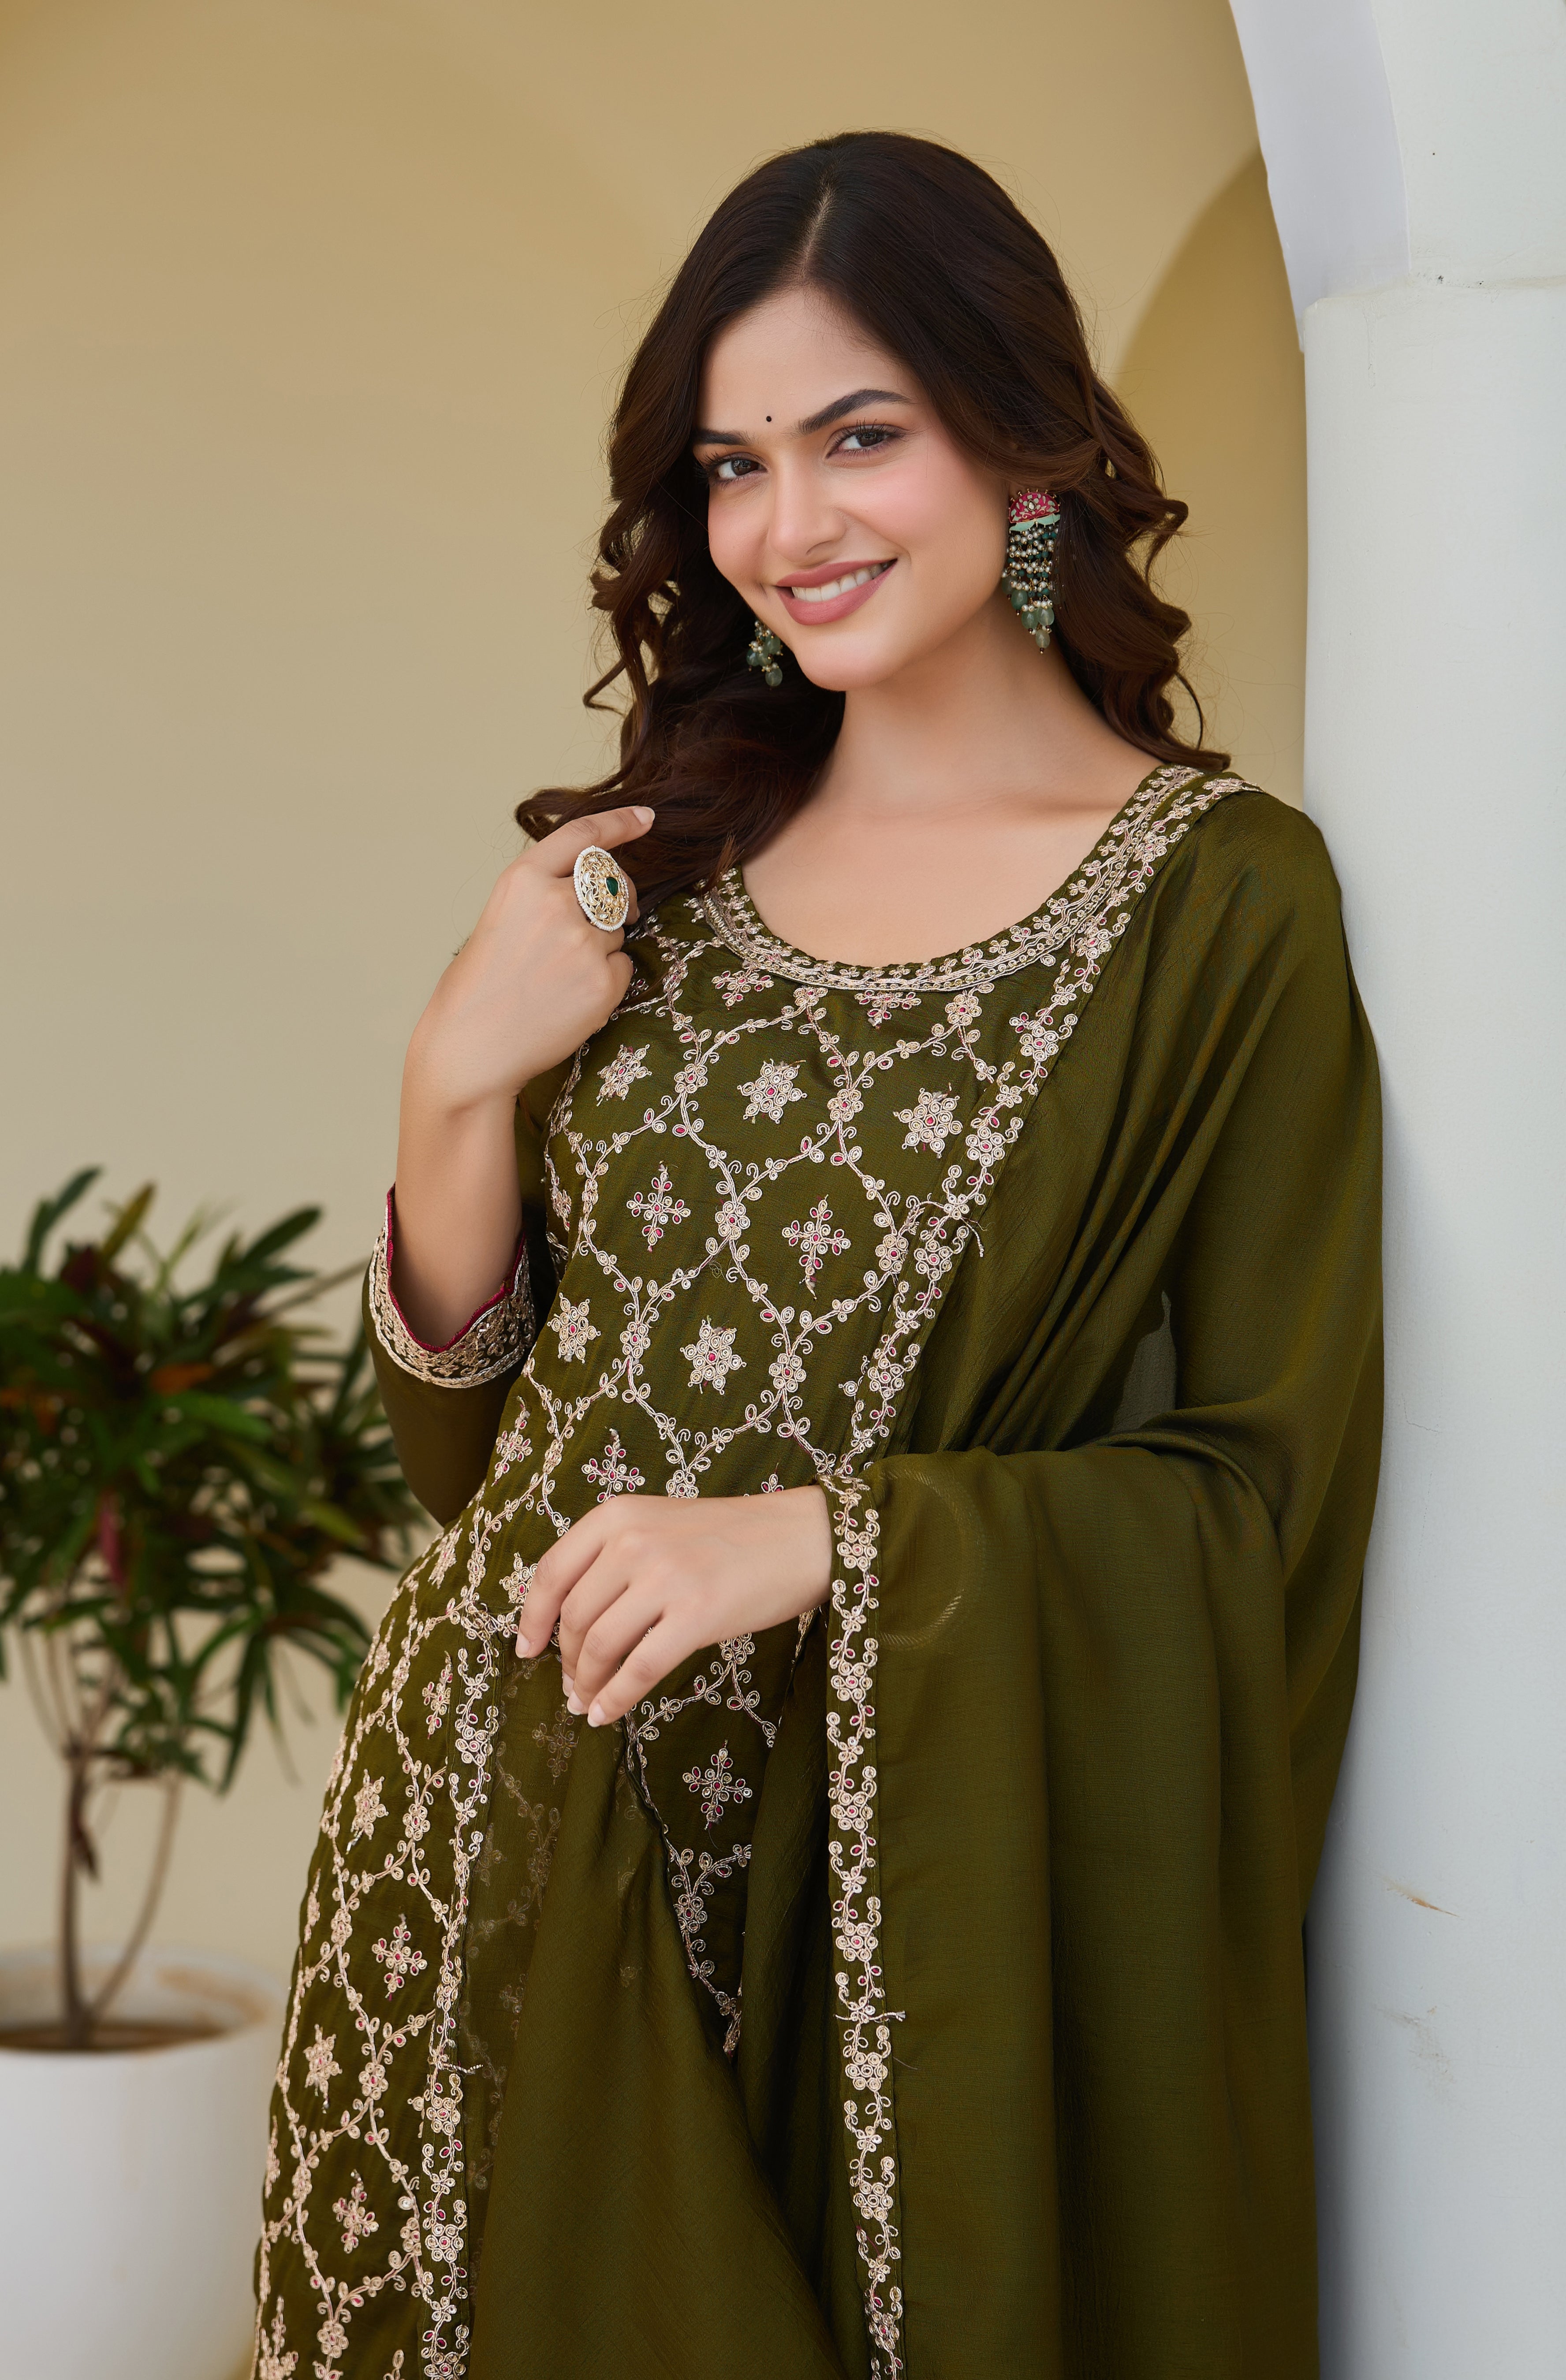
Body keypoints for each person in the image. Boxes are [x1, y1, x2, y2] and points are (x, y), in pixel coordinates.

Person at [253, 131, 1381, 2380]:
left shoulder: (1221, 906)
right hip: (477, 1861)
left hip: (850, 1934)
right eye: (733, 463)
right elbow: (464, 1456)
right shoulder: (661, 856)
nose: (791, 526)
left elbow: (1265, 1505)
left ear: (1024, 438)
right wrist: (450, 1083)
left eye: (861, 433)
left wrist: (829, 1549)